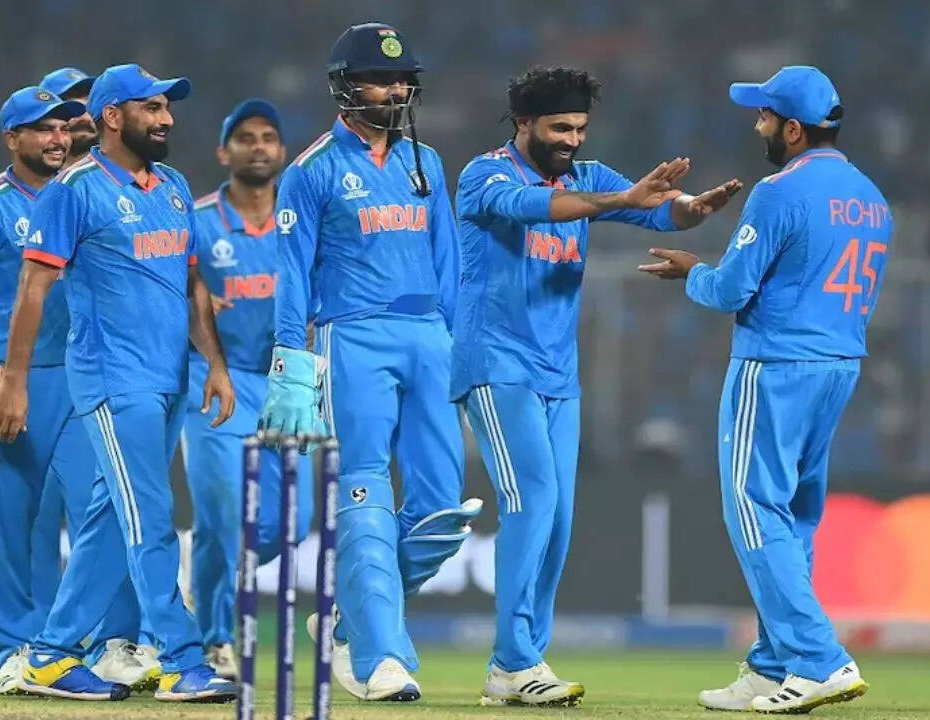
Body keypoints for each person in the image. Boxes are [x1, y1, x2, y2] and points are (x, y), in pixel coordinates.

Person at [453, 66, 743, 706]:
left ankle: (523, 661)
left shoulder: (587, 176)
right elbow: (533, 208)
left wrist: (691, 210)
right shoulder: (486, 175)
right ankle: (512, 661)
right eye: (560, 128)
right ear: (524, 123)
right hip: (496, 364)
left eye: (581, 128)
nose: (573, 140)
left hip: (558, 374)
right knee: (532, 499)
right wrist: (622, 201)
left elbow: (659, 214)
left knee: (557, 520)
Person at [639, 65, 887, 713]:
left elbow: (730, 290)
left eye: (765, 116)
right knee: (794, 514)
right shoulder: (870, 198)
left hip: (776, 364)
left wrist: (693, 271)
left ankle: (818, 659)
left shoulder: (780, 192)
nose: (758, 126)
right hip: (838, 364)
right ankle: (773, 663)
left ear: (794, 129)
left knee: (753, 507)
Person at [0, 63, 238, 703]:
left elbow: (191, 283)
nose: (167, 118)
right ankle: (181, 659)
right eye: (152, 107)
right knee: (151, 518)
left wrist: (213, 364)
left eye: (168, 107)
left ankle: (50, 655)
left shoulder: (173, 185)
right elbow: (33, 288)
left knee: (106, 522)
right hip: (112, 379)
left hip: (169, 379)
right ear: (112, 117)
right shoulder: (73, 189)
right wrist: (14, 379)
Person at [260, 22, 480, 702]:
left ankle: (346, 619)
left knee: (444, 514)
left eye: (402, 80)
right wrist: (290, 358)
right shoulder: (312, 170)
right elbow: (291, 273)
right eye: (380, 80)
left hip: (429, 336)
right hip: (351, 337)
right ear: (345, 87)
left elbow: (449, 262)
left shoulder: (426, 162)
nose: (395, 90)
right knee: (363, 490)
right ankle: (380, 657)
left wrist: (460, 347)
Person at [0, 85, 149, 695]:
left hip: (82, 374)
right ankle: (15, 652)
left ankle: (97, 645)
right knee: (10, 521)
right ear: (13, 138)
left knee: (102, 513)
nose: (57, 139)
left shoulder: (85, 194)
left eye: (63, 128)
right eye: (42, 129)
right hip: (13, 377)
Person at [179, 98, 312, 679]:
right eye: (246, 138)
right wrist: (193, 299)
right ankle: (214, 639)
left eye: (269, 138)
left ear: (282, 151)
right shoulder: (198, 219)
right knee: (226, 515)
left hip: (287, 387)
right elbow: (161, 283)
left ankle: (204, 569)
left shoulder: (301, 217)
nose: (259, 147)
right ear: (223, 152)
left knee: (292, 524)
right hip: (216, 381)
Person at [40, 67, 98, 163]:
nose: (84, 118)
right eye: (70, 108)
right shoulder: (25, 172)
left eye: (90, 106)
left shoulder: (120, 168)